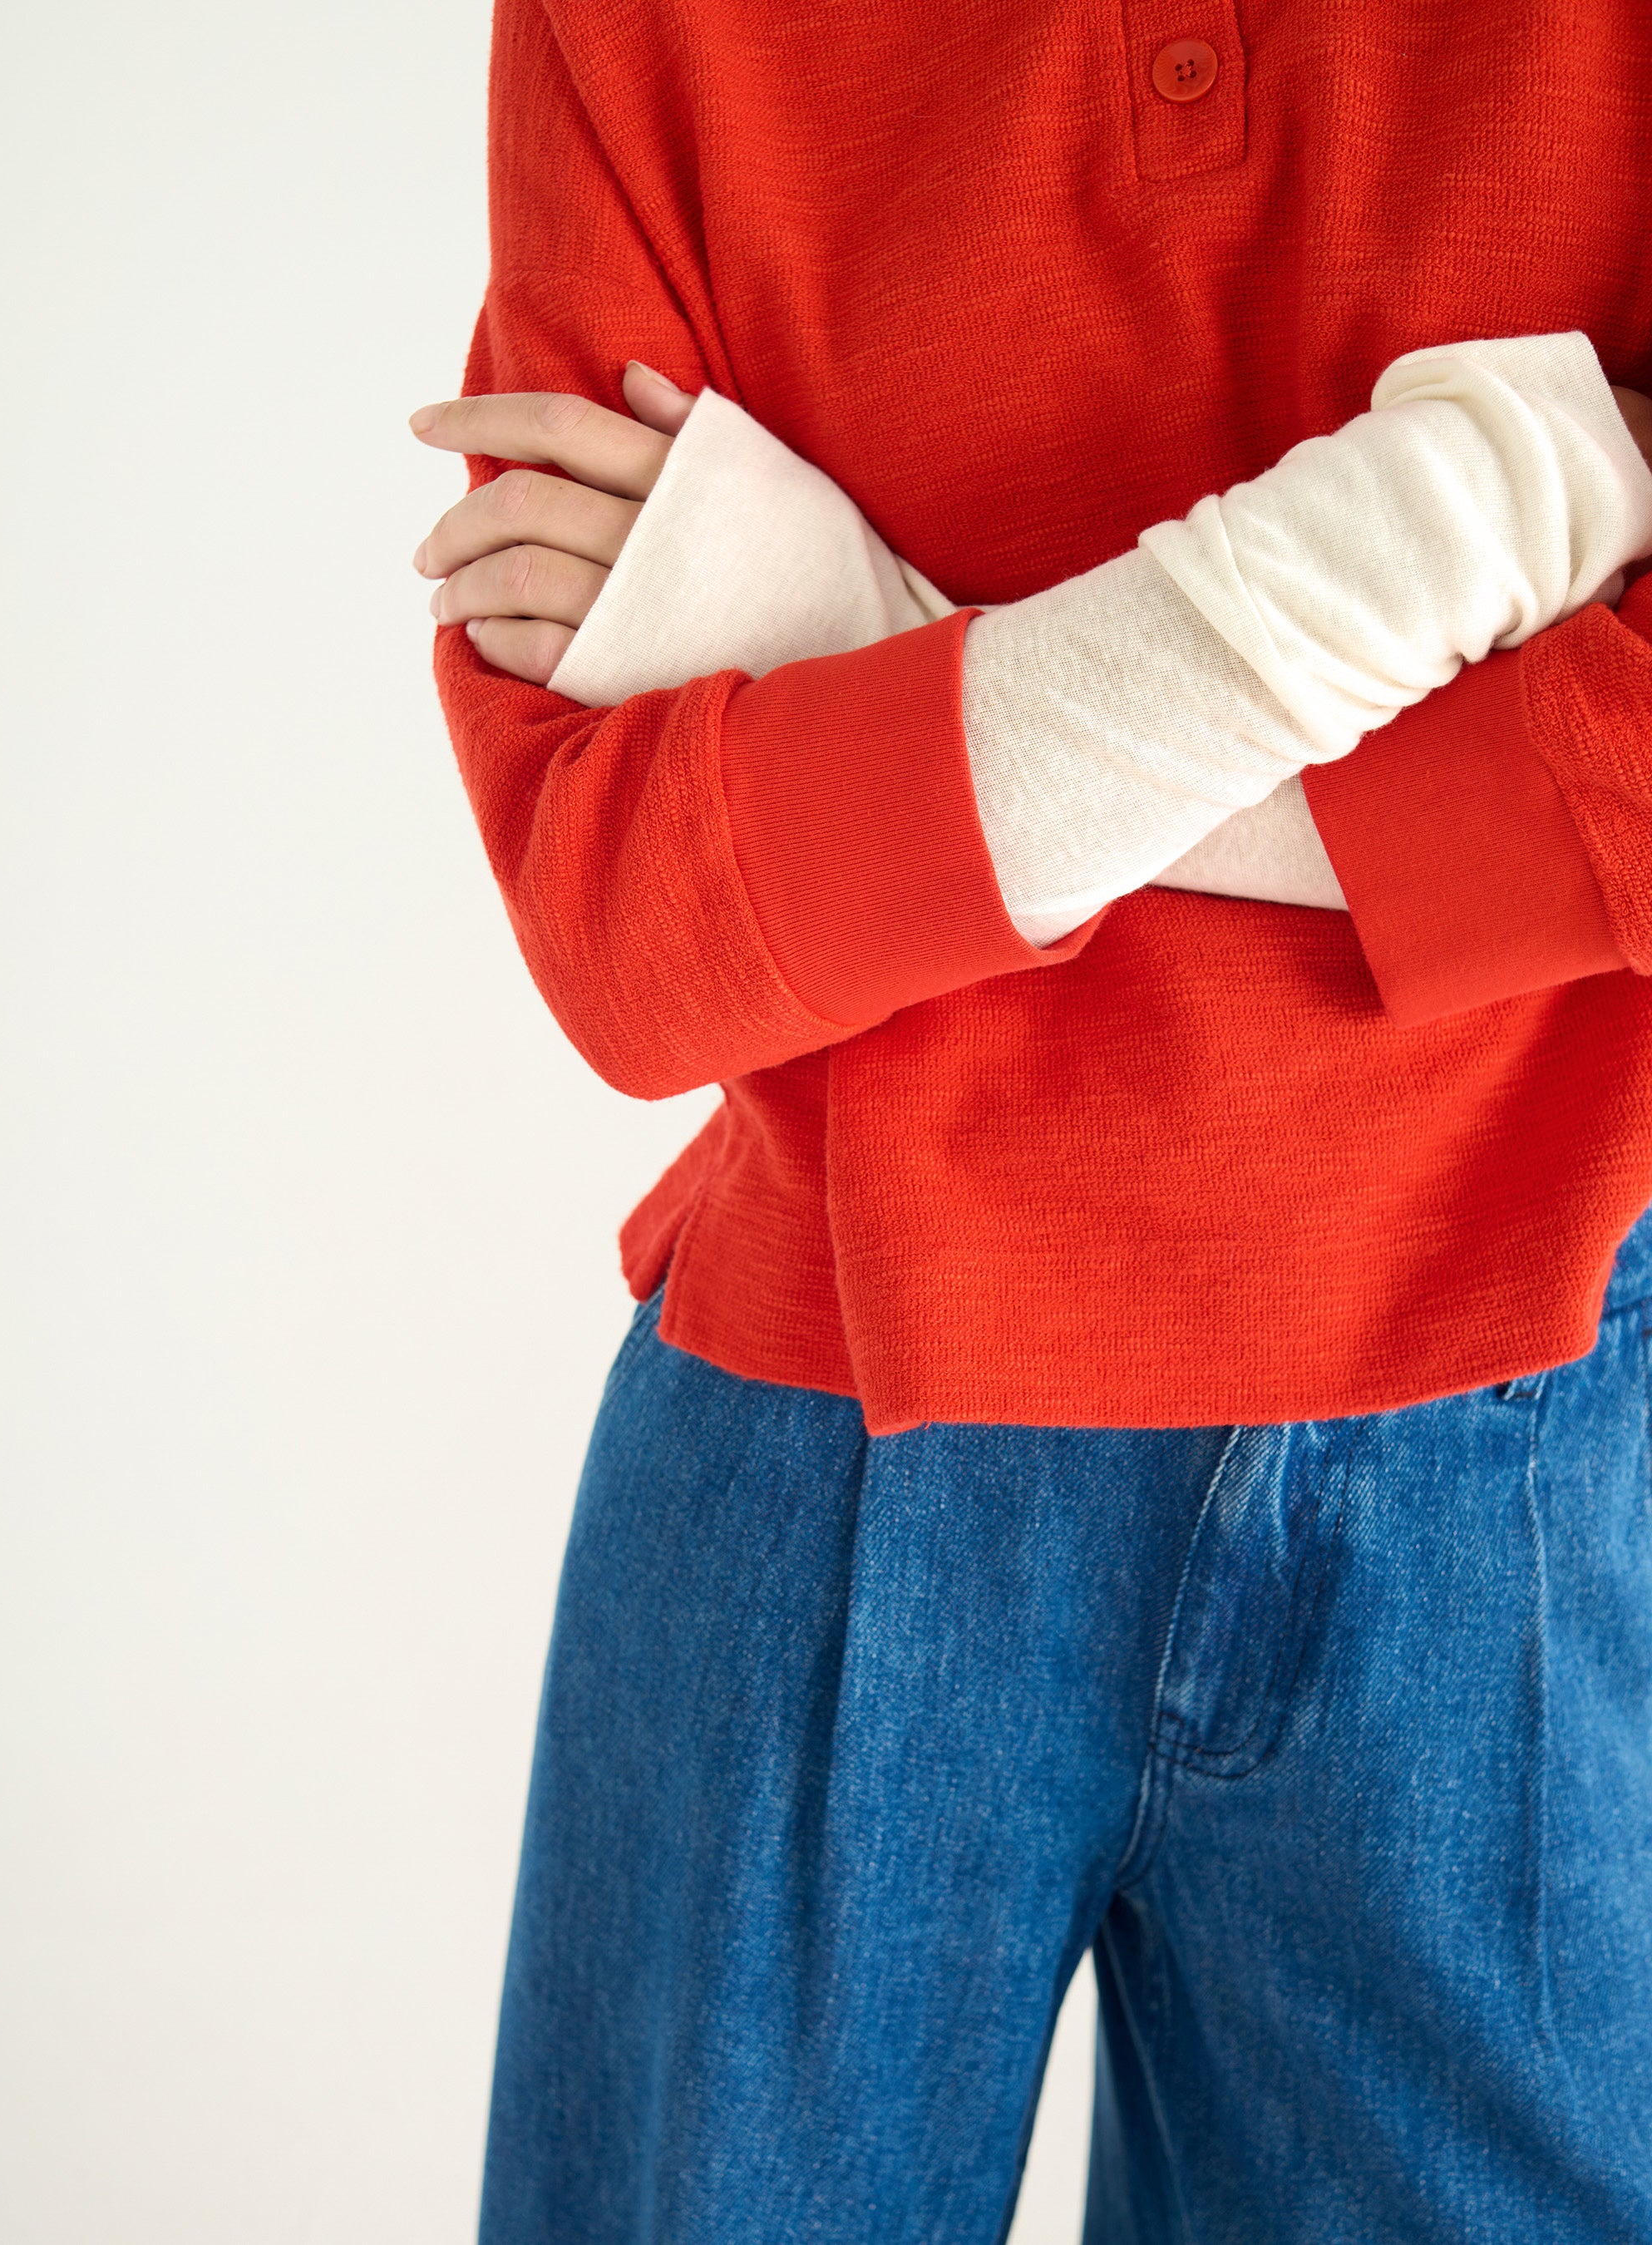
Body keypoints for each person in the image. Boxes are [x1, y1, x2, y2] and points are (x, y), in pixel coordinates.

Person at [409, 2, 1652, 2236]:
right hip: (824, 1424)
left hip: (1523, 1440)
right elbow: (631, 927)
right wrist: (1466, 522)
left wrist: (848, 634)